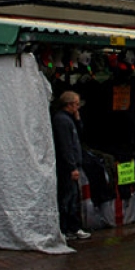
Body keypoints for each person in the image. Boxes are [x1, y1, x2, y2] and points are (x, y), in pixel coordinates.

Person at [51, 91, 91, 241]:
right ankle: (66, 228)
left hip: (71, 164)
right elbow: (65, 146)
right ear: (68, 105)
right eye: (76, 104)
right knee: (67, 198)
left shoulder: (69, 120)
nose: (78, 107)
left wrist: (78, 120)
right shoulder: (61, 121)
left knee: (73, 197)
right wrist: (71, 166)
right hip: (67, 167)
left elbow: (78, 135)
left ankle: (72, 227)